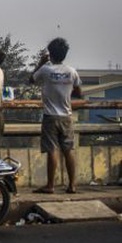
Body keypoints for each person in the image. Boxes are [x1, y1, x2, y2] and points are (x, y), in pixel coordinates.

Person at [30, 37, 82, 194]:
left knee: (52, 150)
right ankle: (72, 185)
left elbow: (31, 80)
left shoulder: (46, 70)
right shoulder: (72, 71)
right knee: (68, 150)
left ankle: (50, 186)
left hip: (50, 117)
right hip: (67, 116)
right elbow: (79, 93)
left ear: (50, 54)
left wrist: (40, 62)